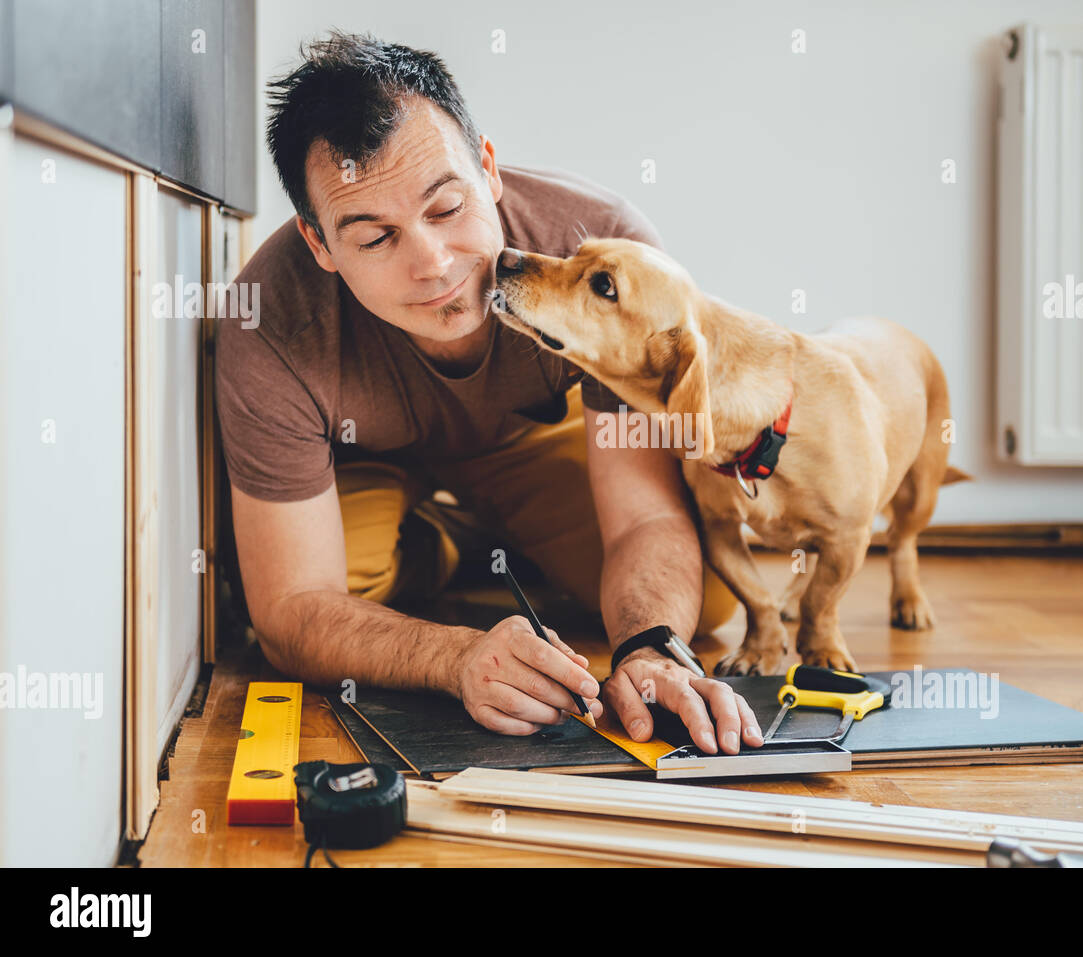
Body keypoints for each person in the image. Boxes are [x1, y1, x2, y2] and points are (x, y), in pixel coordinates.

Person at [214, 31, 765, 756]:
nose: (434, 264)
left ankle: (487, 526)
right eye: (375, 238)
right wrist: (455, 657)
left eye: (446, 209)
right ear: (319, 245)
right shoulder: (267, 318)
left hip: (524, 435)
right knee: (340, 591)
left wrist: (651, 645)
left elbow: (641, 518)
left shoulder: (605, 249)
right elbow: (289, 610)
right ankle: (448, 544)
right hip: (364, 455)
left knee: (711, 597)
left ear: (489, 169)